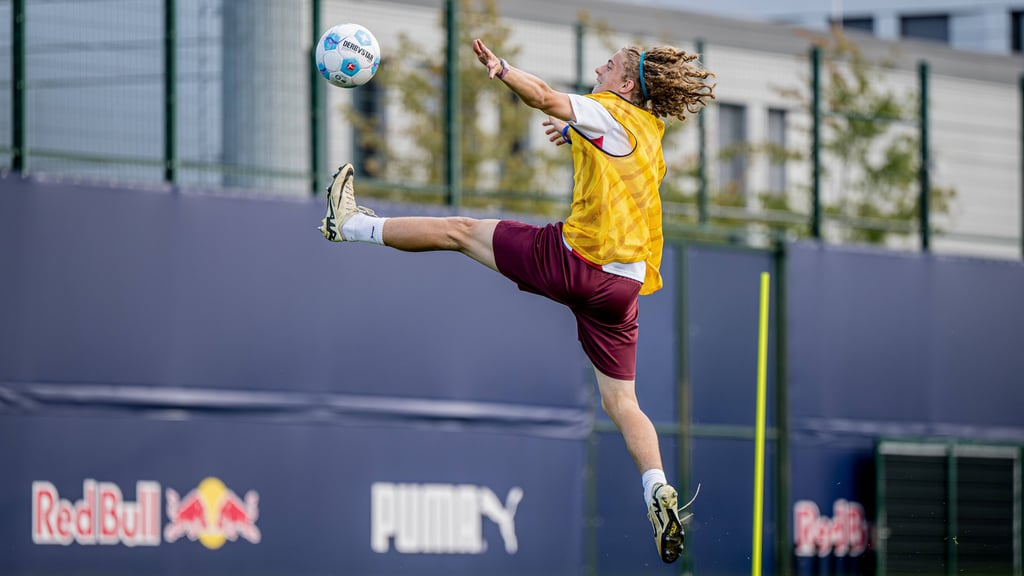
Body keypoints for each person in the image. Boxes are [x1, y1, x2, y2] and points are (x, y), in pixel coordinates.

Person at [318, 37, 714, 563]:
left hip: (577, 262)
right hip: (624, 287)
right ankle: (656, 490)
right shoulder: (649, 132)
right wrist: (576, 128)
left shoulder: (609, 109)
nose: (599, 66)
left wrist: (504, 71)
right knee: (623, 403)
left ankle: (350, 224)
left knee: (459, 231)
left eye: (611, 64)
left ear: (625, 85)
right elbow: (609, 151)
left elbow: (547, 97)